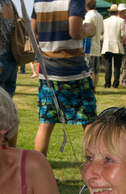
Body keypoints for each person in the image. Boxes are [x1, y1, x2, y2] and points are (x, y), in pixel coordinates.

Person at [32, 0, 97, 158]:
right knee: (88, 121)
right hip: (74, 70)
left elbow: (34, 32)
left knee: (46, 122)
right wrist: (89, 29)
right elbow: (75, 31)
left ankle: (37, 175)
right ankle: (96, 175)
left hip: (48, 72)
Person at [101, 4, 125, 88]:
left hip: (107, 45)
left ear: (110, 13)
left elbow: (102, 34)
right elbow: (122, 34)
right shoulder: (121, 21)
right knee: (117, 66)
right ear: (117, 12)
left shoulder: (104, 21)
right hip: (117, 45)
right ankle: (116, 84)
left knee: (108, 65)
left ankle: (107, 83)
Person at [84, 0, 104, 91]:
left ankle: (91, 88)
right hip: (97, 45)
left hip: (90, 45)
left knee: (90, 70)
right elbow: (102, 31)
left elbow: (85, 27)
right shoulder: (100, 16)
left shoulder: (88, 15)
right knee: (96, 70)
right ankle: (94, 88)